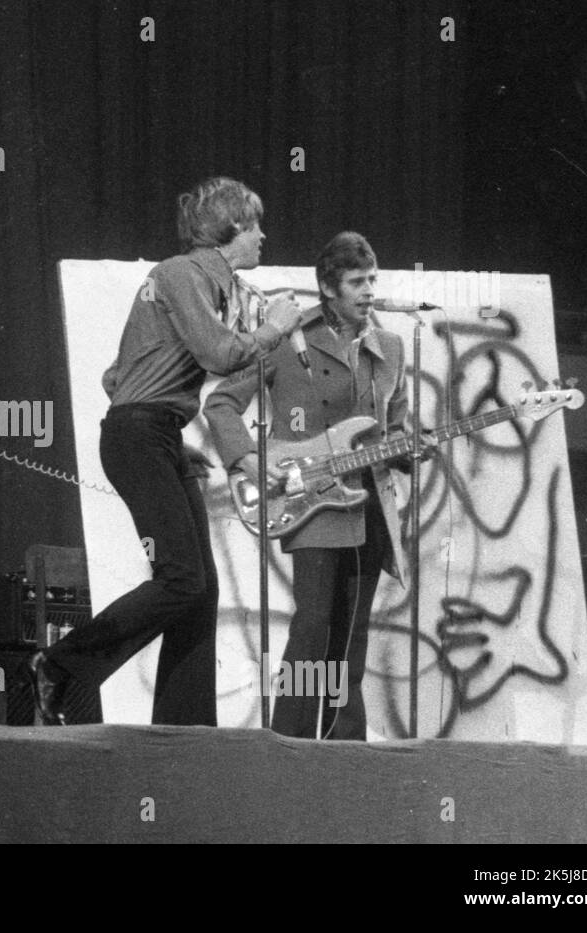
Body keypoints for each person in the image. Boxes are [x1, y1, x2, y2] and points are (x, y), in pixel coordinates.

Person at [28, 176, 302, 726]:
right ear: (231, 228)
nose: (263, 237)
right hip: (139, 437)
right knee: (180, 578)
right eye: (255, 226)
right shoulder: (181, 274)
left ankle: (184, 728)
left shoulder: (203, 284)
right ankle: (59, 665)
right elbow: (220, 354)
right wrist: (273, 329)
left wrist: (169, 431)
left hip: (154, 435)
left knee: (200, 590)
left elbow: (116, 376)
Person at [206, 231, 412, 740]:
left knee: (352, 637)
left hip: (370, 506)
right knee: (313, 626)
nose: (369, 291)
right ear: (327, 286)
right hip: (312, 503)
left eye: (372, 280)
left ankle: (344, 746)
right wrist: (249, 461)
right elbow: (221, 403)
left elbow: (395, 430)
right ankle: (290, 741)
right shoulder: (287, 339)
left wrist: (410, 449)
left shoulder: (389, 347)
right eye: (357, 282)